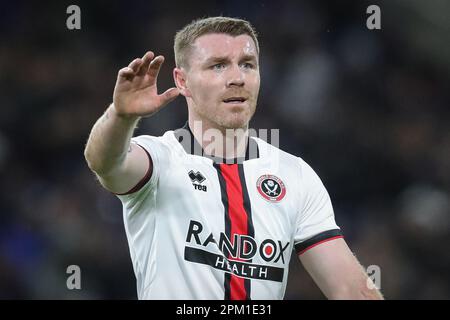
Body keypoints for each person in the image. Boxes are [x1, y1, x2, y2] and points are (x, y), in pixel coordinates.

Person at [84, 16, 383, 300]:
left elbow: (353, 291)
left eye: (248, 65)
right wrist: (120, 116)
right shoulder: (159, 159)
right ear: (182, 81)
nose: (237, 78)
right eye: (217, 66)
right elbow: (104, 162)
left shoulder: (296, 176)